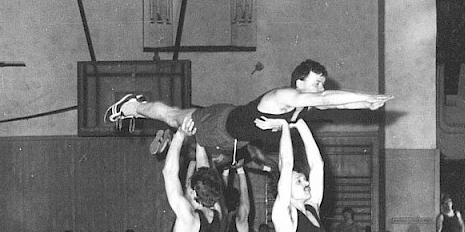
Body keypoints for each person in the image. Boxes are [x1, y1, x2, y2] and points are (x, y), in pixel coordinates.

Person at [106, 60, 392, 159]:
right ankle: (133, 106)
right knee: (173, 117)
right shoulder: (285, 96)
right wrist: (367, 96)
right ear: (299, 82)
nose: (320, 88)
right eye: (316, 83)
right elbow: (328, 99)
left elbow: (334, 104)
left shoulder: (298, 107)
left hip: (233, 139)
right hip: (219, 122)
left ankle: (170, 135)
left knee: (186, 135)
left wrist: (365, 104)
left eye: (322, 84)